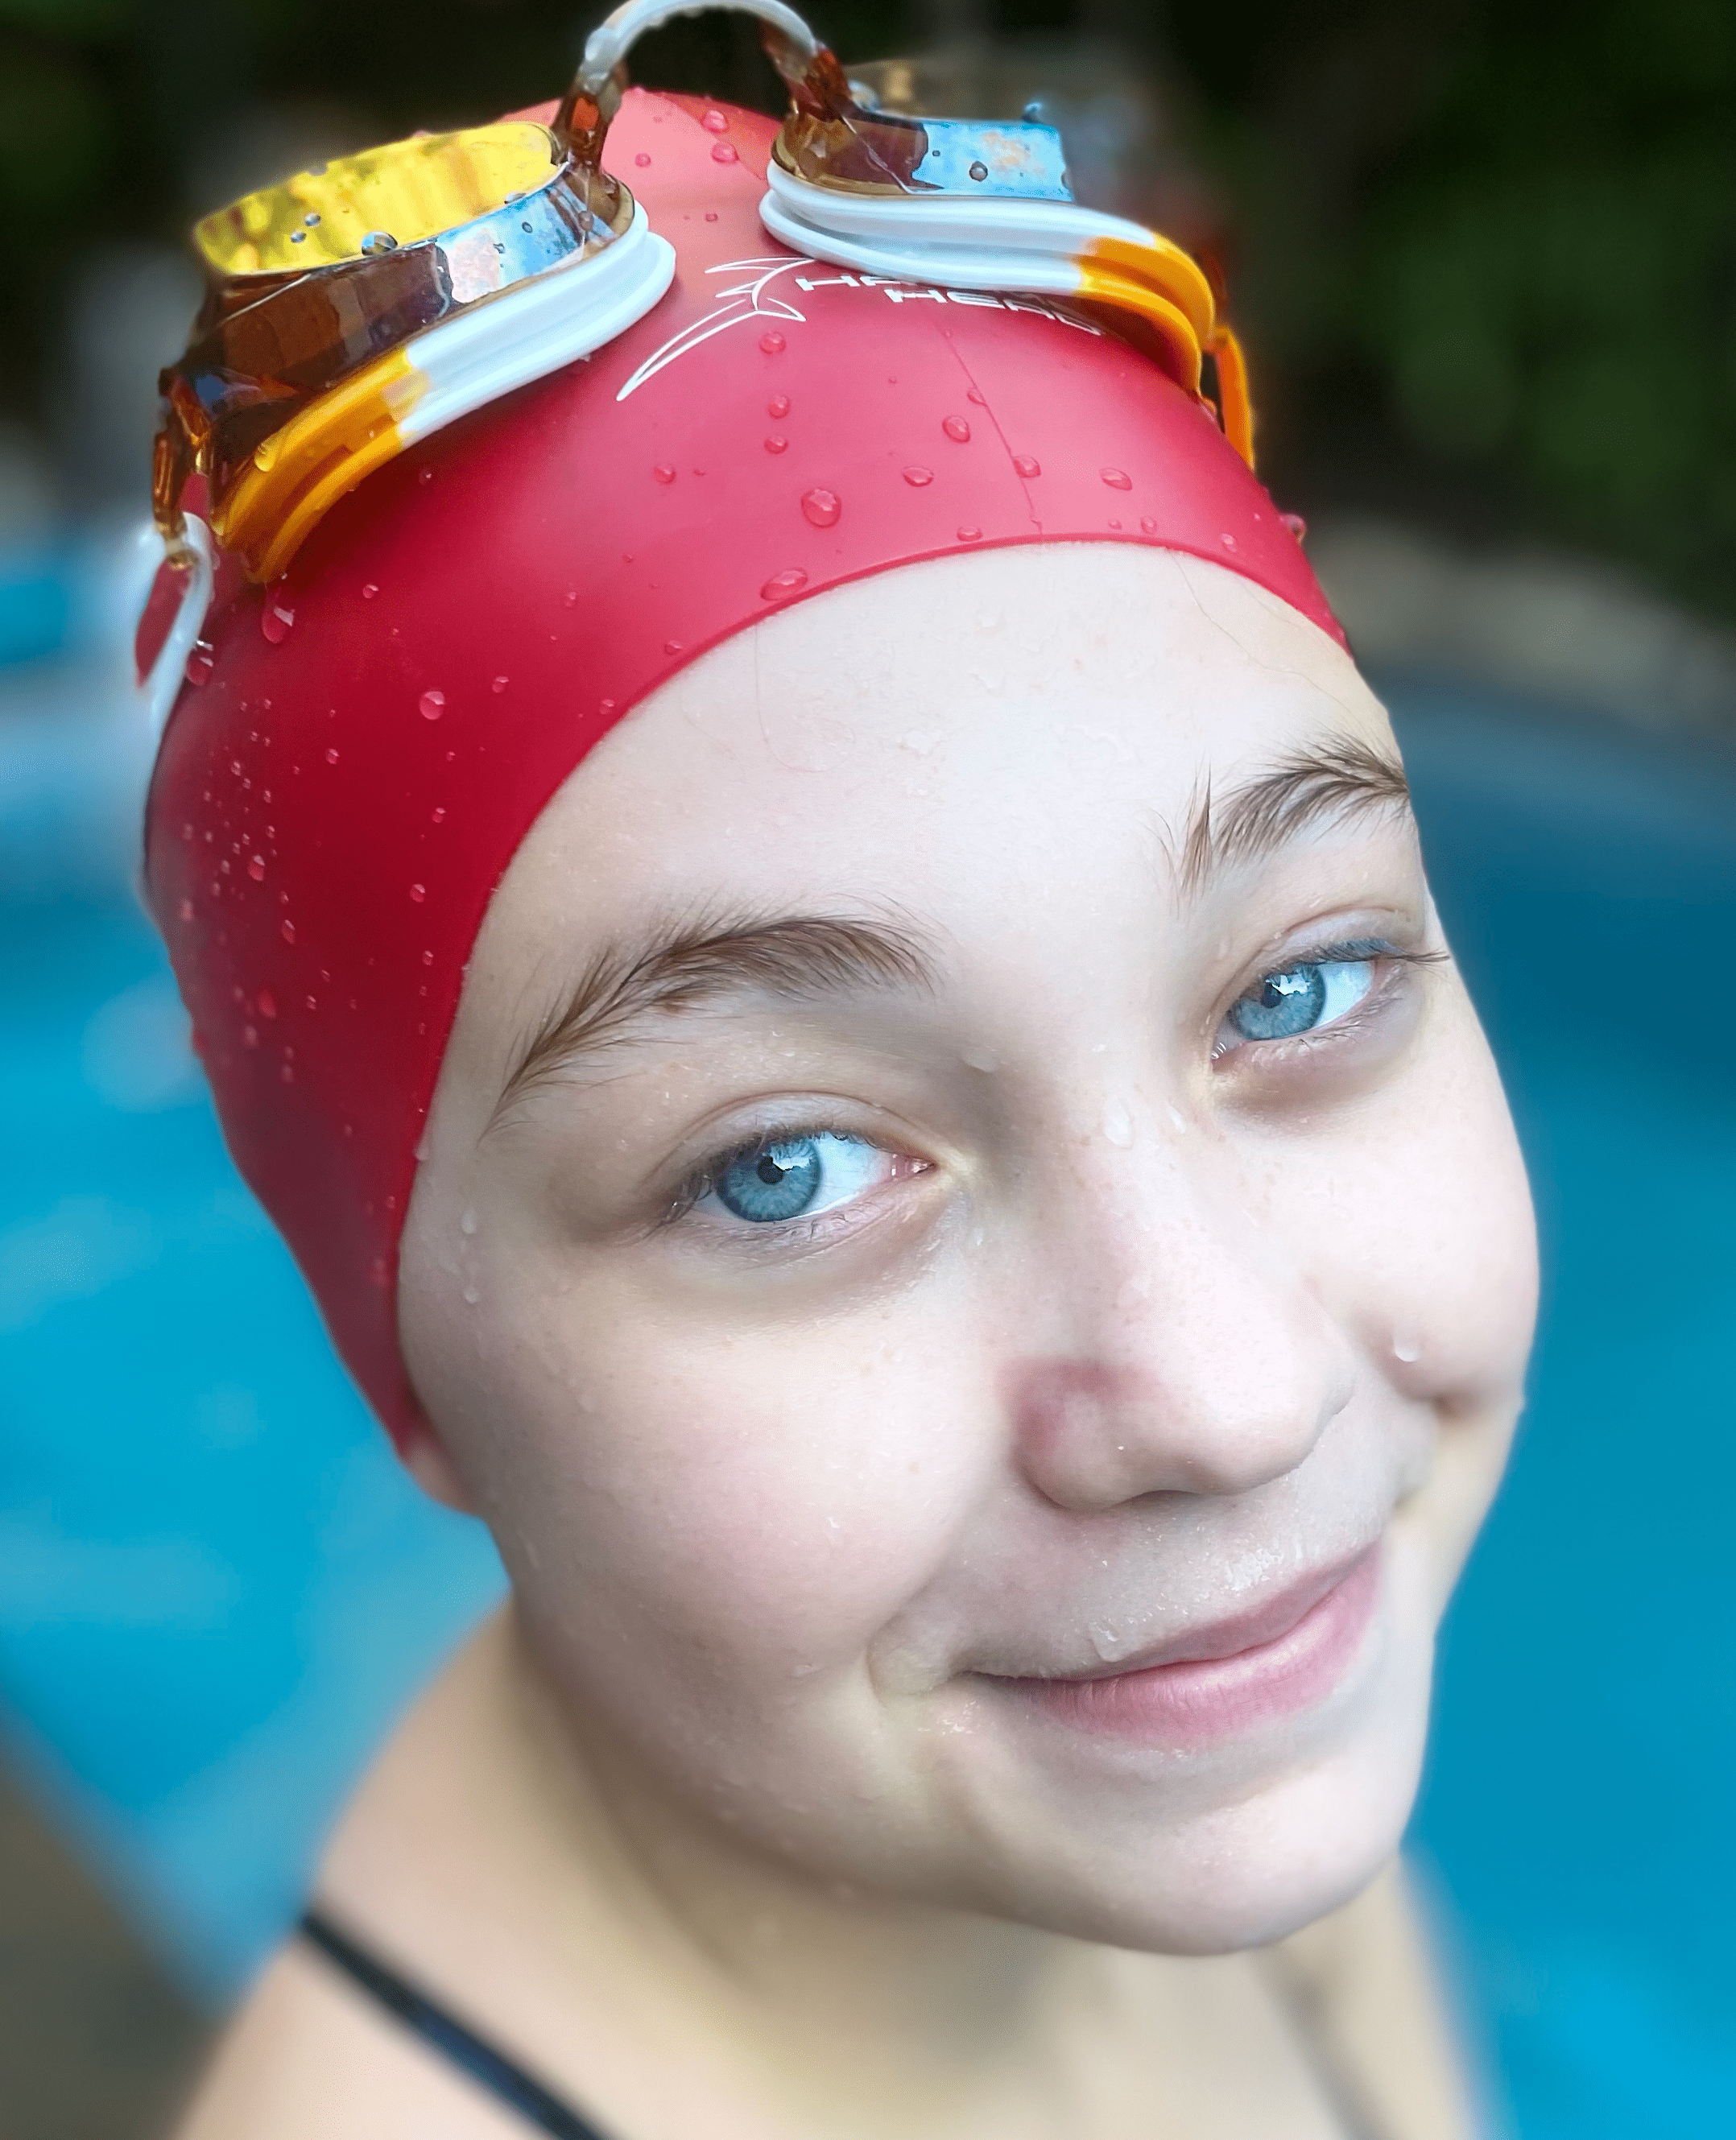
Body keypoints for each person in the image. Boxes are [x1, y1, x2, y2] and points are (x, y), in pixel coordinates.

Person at [140, 6, 1536, 2132]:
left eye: (1297, 990)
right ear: (408, 1356)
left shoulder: (1218, 1725)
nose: (1231, 1401)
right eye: (783, 1166)